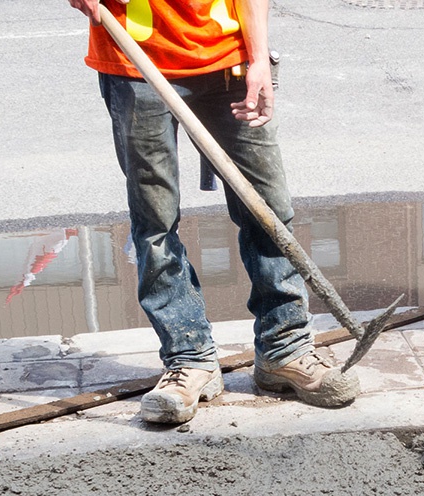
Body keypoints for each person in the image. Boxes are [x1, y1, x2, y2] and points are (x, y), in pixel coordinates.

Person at [69, 0, 357, 424]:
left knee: (268, 209)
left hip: (229, 59)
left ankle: (285, 348)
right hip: (134, 58)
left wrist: (259, 59)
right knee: (155, 221)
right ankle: (189, 359)